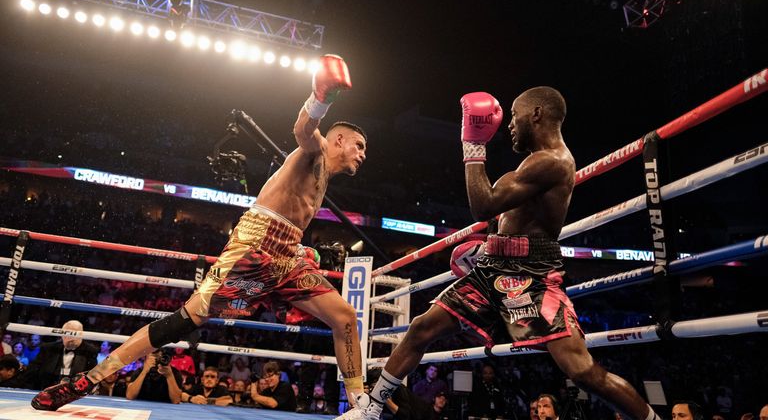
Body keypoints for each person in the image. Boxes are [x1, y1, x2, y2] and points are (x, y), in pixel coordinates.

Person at [31, 53, 369, 414]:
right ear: (338, 140)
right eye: (359, 146)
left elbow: (290, 228)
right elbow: (303, 129)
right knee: (182, 322)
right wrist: (322, 97)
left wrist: (311, 254)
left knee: (345, 317)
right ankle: (88, 380)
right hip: (254, 246)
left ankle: (358, 404)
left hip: (286, 255)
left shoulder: (321, 180)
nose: (362, 155)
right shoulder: (314, 153)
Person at [347, 88, 662, 420]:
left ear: (536, 113)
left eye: (515, 114)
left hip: (533, 274)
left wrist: (473, 144)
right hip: (492, 267)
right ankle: (371, 409)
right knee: (421, 328)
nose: (509, 124)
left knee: (580, 369)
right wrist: (490, 246)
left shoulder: (552, 161)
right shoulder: (534, 161)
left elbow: (483, 205)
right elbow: (509, 220)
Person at [26, 320, 98, 389]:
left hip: (76, 391)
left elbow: (92, 377)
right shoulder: (49, 348)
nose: (70, 339)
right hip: (49, 388)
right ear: (62, 335)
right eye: (67, 335)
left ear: (81, 335)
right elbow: (33, 370)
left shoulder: (90, 351)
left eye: (73, 335)